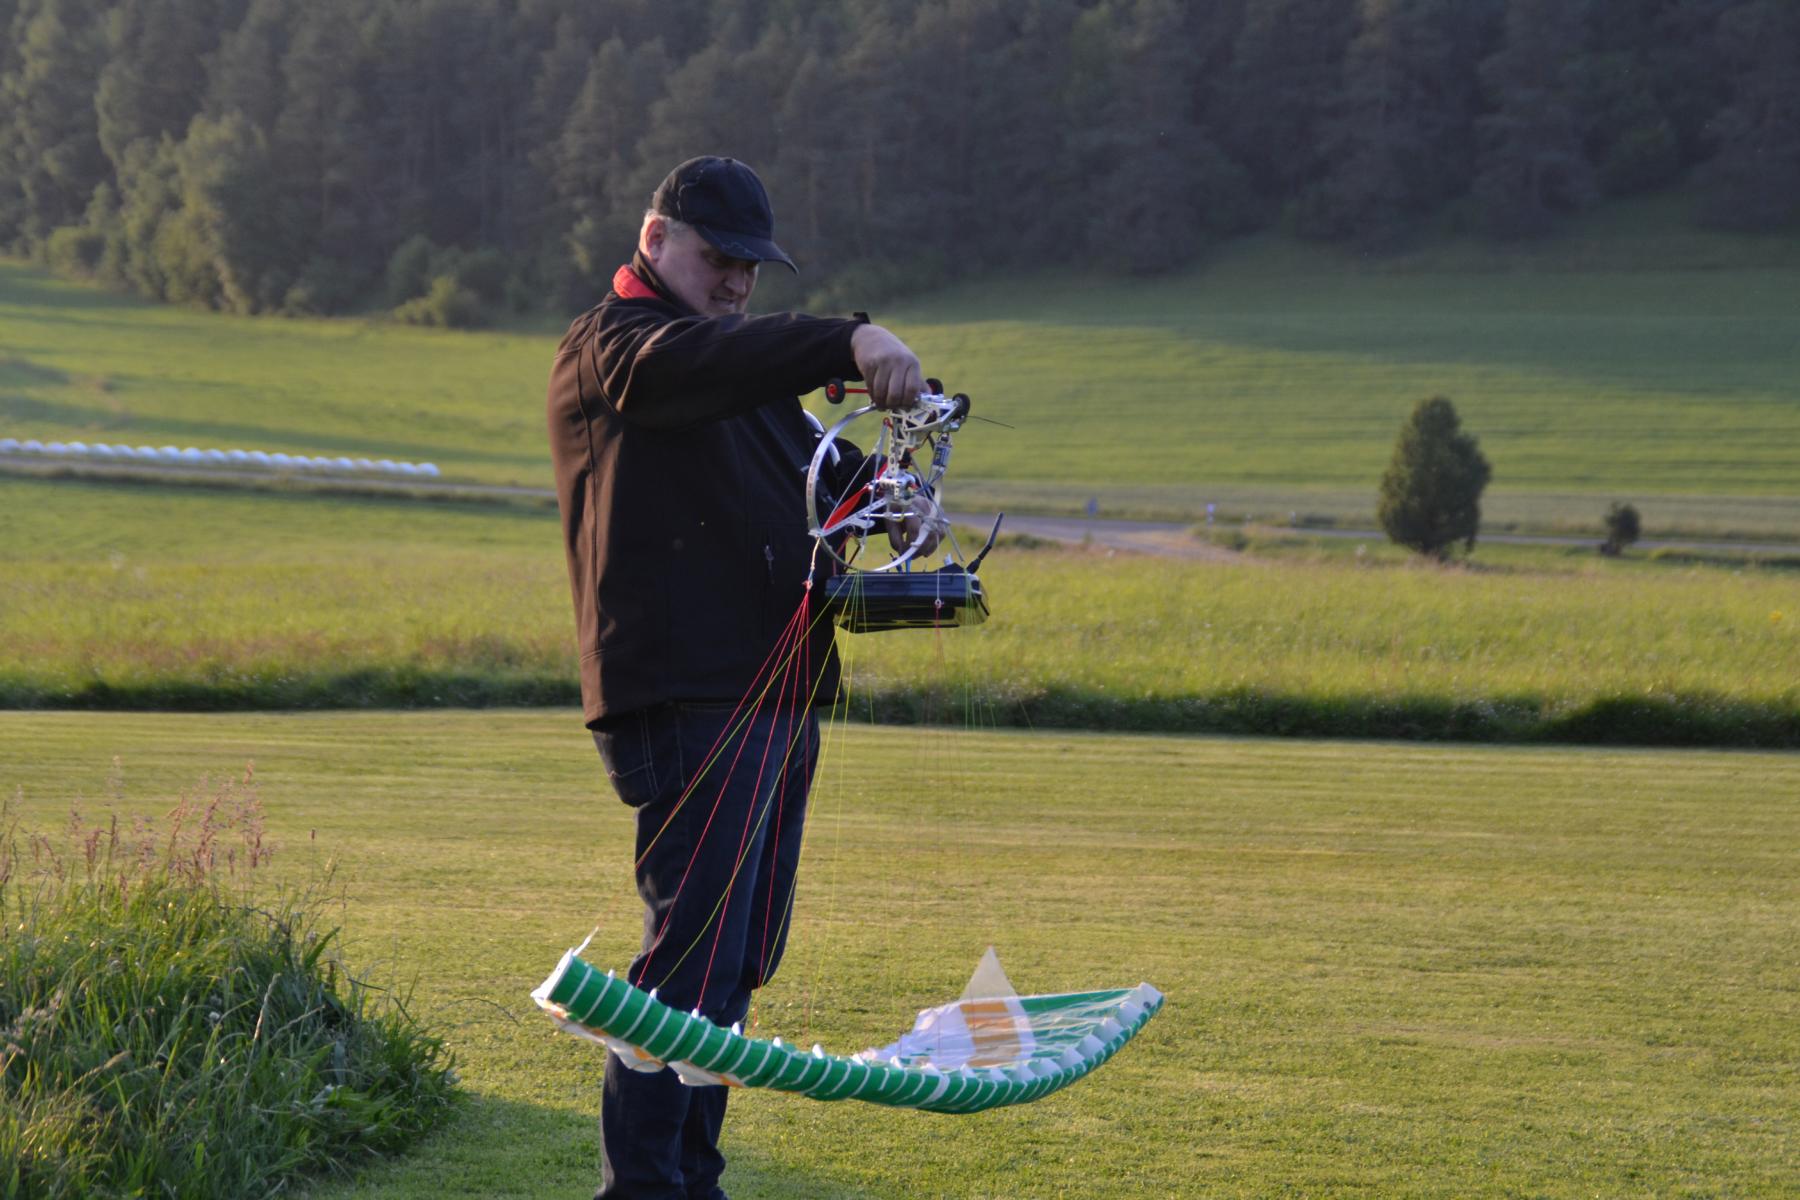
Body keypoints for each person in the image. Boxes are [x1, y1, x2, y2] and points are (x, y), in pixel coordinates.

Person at [546, 156, 928, 1200]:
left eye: (751, 268)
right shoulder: (619, 346)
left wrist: (893, 493)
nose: (736, 282)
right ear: (654, 239)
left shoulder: (738, 373)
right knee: (691, 962)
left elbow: (823, 472)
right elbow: (697, 368)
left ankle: (693, 1178)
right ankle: (644, 1187)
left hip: (775, 689)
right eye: (719, 258)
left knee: (739, 957)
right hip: (692, 696)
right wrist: (848, 340)